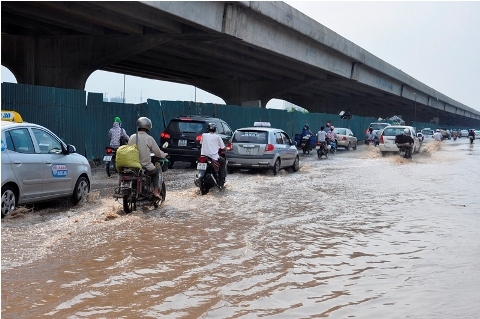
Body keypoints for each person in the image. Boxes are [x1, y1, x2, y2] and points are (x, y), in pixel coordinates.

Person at [128, 117, 168, 199]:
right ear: (148, 126)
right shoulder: (149, 138)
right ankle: (156, 192)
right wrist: (164, 155)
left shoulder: (132, 137)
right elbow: (157, 152)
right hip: (144, 166)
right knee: (156, 172)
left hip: (132, 166)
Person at [201, 123, 227, 188]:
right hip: (214, 157)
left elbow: (201, 143)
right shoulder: (217, 137)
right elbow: (223, 147)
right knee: (223, 161)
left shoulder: (203, 135)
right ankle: (221, 181)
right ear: (215, 129)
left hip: (203, 157)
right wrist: (226, 149)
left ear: (208, 129)